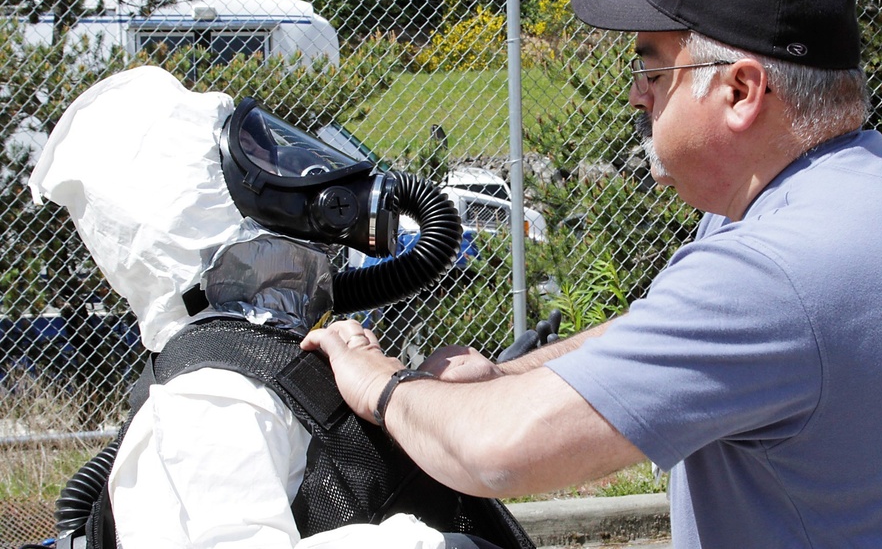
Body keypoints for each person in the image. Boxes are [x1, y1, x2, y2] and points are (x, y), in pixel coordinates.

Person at [299, 0, 882, 548]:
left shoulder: (783, 268)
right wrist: (504, 375)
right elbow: (657, 329)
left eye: (653, 66)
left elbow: (498, 452)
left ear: (740, 91)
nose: (636, 91)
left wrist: (381, 386)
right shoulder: (840, 181)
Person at [28, 66, 532, 549]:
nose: (293, 170)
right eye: (257, 157)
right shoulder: (214, 396)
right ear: (201, 212)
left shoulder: (260, 358)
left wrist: (413, 402)